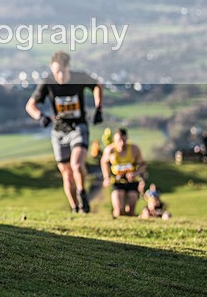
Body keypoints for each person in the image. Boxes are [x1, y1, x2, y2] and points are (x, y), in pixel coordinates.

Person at [25, 51, 104, 213]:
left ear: (68, 67)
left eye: (62, 71)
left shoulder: (79, 78)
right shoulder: (47, 83)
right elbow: (30, 105)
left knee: (76, 164)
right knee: (66, 173)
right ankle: (76, 208)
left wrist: (98, 108)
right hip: (59, 131)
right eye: (55, 72)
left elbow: (97, 85)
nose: (59, 76)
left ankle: (82, 192)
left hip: (78, 126)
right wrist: (40, 117)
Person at [101, 128, 147, 217]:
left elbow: (143, 165)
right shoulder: (110, 150)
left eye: (124, 140)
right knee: (118, 210)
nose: (121, 144)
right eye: (119, 141)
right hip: (117, 182)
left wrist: (135, 173)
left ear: (127, 139)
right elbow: (104, 162)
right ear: (114, 140)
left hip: (132, 182)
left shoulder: (134, 149)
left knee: (131, 210)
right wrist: (106, 177)